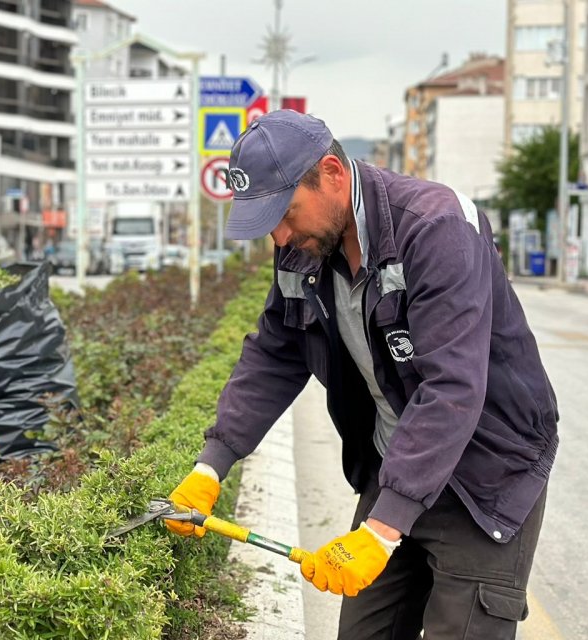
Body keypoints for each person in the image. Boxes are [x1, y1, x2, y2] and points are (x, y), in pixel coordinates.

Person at [165, 111, 559, 639]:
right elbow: (275, 355)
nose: (279, 235)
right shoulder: (301, 249)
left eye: (285, 213)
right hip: (398, 461)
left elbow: (451, 389)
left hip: (483, 471)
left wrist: (382, 527)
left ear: (332, 173)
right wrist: (212, 466)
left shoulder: (435, 228)